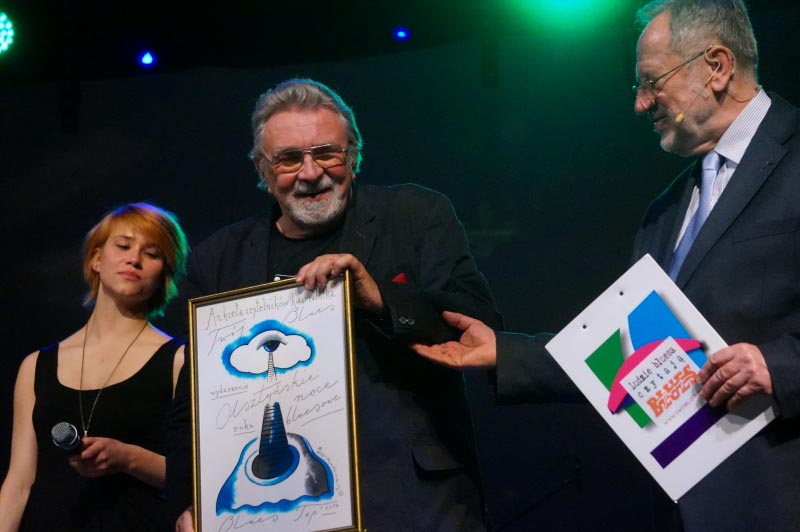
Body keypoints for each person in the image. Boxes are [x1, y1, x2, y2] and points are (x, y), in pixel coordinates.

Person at [414, 1, 800, 530]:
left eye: (651, 82)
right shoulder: (664, 212)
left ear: (716, 66)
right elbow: (627, 357)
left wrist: (779, 366)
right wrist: (507, 353)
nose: (641, 104)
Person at [162, 78, 503, 532]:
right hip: (273, 510)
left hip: (412, 502)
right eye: (288, 159)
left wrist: (379, 299)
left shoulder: (416, 215)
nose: (310, 172)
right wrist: (190, 501)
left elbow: (479, 323)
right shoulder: (218, 261)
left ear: (354, 156)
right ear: (263, 170)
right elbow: (193, 402)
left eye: (326, 153)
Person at [0, 202, 189, 531]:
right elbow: (18, 483)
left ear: (164, 275)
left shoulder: (179, 360)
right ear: (96, 259)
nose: (134, 259)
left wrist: (128, 458)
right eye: (123, 246)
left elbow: (196, 475)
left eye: (152, 253)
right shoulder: (36, 366)